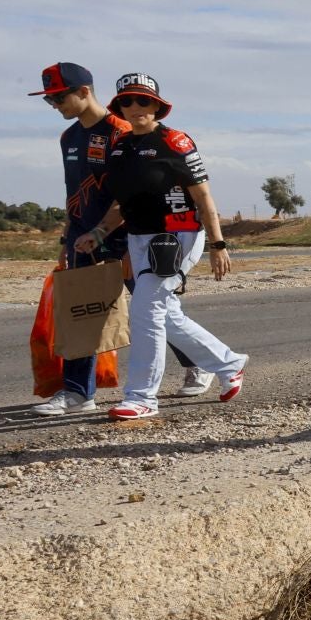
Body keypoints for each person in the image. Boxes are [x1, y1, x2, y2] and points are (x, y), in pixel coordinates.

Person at [29, 64, 204, 414]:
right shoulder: (68, 137)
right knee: (81, 311)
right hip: (83, 236)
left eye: (58, 97)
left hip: (129, 235)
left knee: (155, 309)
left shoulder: (121, 131)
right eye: (49, 100)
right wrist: (68, 235)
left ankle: (198, 362)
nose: (54, 105)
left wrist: (120, 236)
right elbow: (73, 191)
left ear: (83, 92)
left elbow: (136, 191)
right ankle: (79, 393)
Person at [72, 73, 247, 421]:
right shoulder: (120, 149)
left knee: (145, 310)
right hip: (139, 239)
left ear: (157, 106)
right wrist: (100, 232)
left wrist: (218, 244)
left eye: (143, 101)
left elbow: (203, 197)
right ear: (119, 106)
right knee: (166, 313)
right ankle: (229, 363)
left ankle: (142, 397)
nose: (135, 107)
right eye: (127, 101)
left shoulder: (176, 142)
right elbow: (123, 204)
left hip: (177, 237)